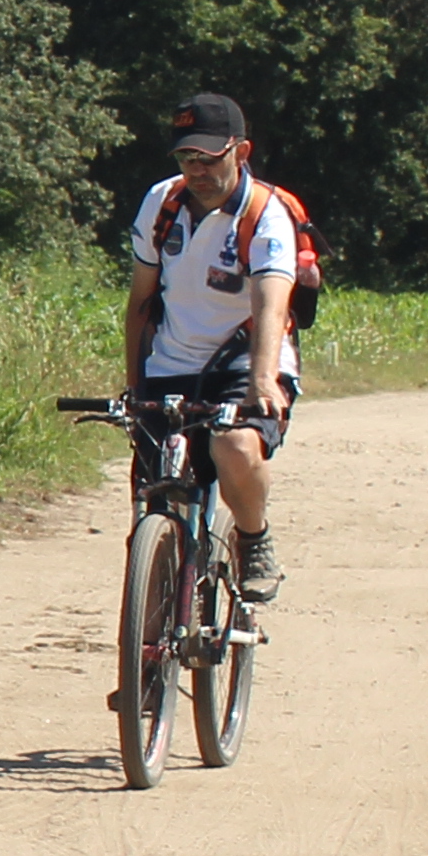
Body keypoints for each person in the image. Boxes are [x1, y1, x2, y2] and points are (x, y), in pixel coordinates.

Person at [122, 87, 300, 604]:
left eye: (208, 157)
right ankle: (147, 652)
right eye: (185, 157)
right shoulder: (162, 203)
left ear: (241, 152)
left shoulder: (265, 215)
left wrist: (262, 380)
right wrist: (135, 389)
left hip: (244, 362)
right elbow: (140, 303)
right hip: (172, 363)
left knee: (234, 445)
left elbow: (272, 304)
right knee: (153, 499)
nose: (195, 169)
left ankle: (253, 540)